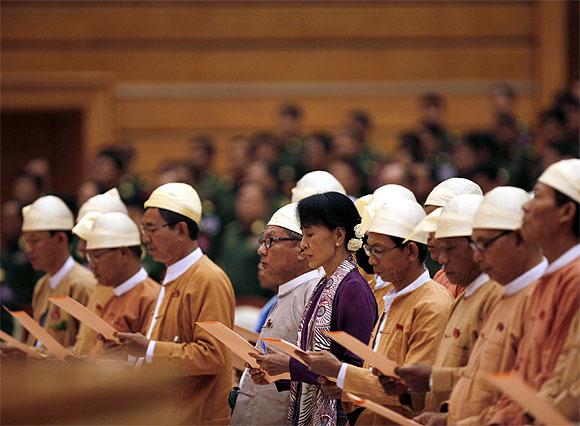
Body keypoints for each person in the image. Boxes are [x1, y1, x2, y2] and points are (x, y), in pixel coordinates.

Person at [304, 199, 453, 424]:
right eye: (368, 248)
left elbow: (413, 392)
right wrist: (341, 384)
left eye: (378, 250)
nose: (371, 260)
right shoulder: (393, 297)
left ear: (411, 251)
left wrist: (341, 373)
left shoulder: (432, 305)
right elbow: (374, 374)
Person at [415, 186, 546, 425]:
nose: (478, 256)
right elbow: (480, 380)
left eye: (484, 244)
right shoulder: (504, 294)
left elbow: (528, 400)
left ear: (519, 238)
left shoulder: (533, 297)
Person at [250, 192, 377, 426]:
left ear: (338, 235)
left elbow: (353, 370)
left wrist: (288, 365)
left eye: (309, 234)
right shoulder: (324, 284)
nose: (303, 244)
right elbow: (317, 368)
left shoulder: (353, 289)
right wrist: (276, 373)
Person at [115, 182, 235, 425]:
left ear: (181, 230)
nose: (144, 239)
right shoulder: (173, 272)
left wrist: (149, 350)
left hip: (195, 415)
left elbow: (212, 355)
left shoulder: (208, 279)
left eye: (151, 229)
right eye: (143, 229)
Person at [395, 193, 503, 414]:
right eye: (439, 248)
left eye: (450, 248)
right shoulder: (461, 299)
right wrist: (408, 389)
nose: (441, 259)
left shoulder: (495, 297)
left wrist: (432, 380)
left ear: (477, 246)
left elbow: (491, 382)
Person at [491, 159, 580, 425]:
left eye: (538, 196)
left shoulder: (575, 279)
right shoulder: (548, 278)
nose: (526, 206)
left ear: (565, 212)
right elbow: (526, 370)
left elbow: (569, 388)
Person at [231, 203, 323, 425]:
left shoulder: (314, 293)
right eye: (263, 241)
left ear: (302, 248)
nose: (261, 249)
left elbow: (322, 372)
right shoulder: (288, 290)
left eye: (271, 241)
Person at [73, 213, 160, 358]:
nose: (91, 265)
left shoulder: (150, 298)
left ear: (123, 254)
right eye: (88, 257)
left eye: (96, 256)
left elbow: (152, 364)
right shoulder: (111, 294)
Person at [21, 195, 95, 347]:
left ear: (61, 239)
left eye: (34, 241)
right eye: (26, 241)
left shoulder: (83, 284)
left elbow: (88, 349)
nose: (28, 250)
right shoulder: (41, 285)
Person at [423, 178, 483, 296]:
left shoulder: (488, 285)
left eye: (437, 223)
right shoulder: (441, 277)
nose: (428, 234)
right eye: (428, 222)